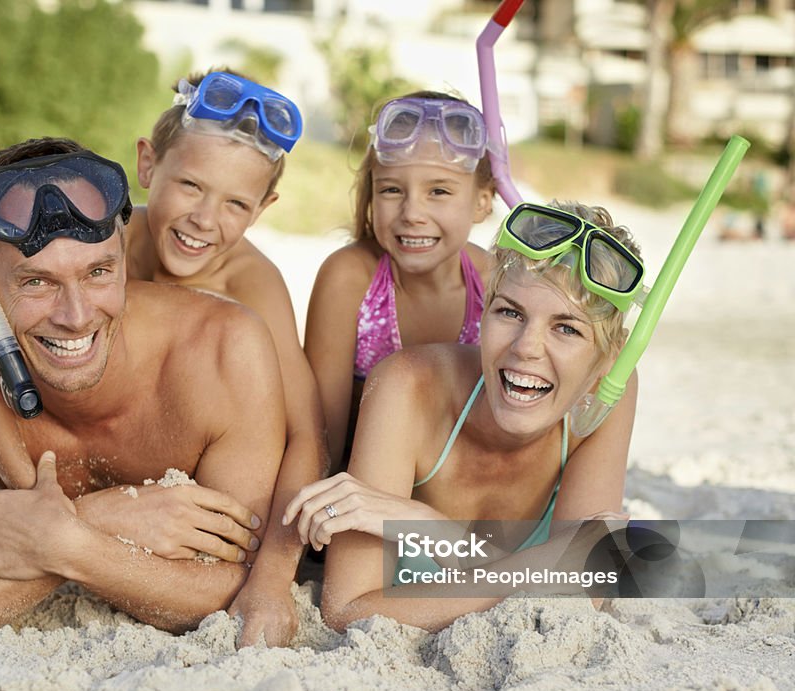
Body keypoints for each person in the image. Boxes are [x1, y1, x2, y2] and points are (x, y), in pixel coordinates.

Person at [0, 137, 287, 644]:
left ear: (125, 255)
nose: (76, 315)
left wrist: (62, 542)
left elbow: (237, 589)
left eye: (99, 272)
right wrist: (90, 525)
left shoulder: (223, 350)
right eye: (36, 282)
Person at [285, 201, 642, 633]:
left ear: (609, 359)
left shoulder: (609, 395)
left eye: (566, 328)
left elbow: (587, 589)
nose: (526, 347)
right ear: (485, 312)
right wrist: (547, 564)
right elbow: (346, 609)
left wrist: (436, 531)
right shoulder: (407, 387)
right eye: (510, 312)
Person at [127, 69, 327, 646]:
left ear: (263, 208)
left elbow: (305, 435)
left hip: (208, 496)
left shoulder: (253, 285)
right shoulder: (107, 247)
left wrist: (269, 583)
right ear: (148, 165)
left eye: (236, 203)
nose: (204, 220)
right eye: (190, 185)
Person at [304, 92, 496, 472]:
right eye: (392, 190)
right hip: (362, 485)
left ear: (482, 202)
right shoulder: (348, 278)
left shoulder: (493, 282)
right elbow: (321, 438)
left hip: (459, 492)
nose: (412, 213)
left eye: (438, 191)